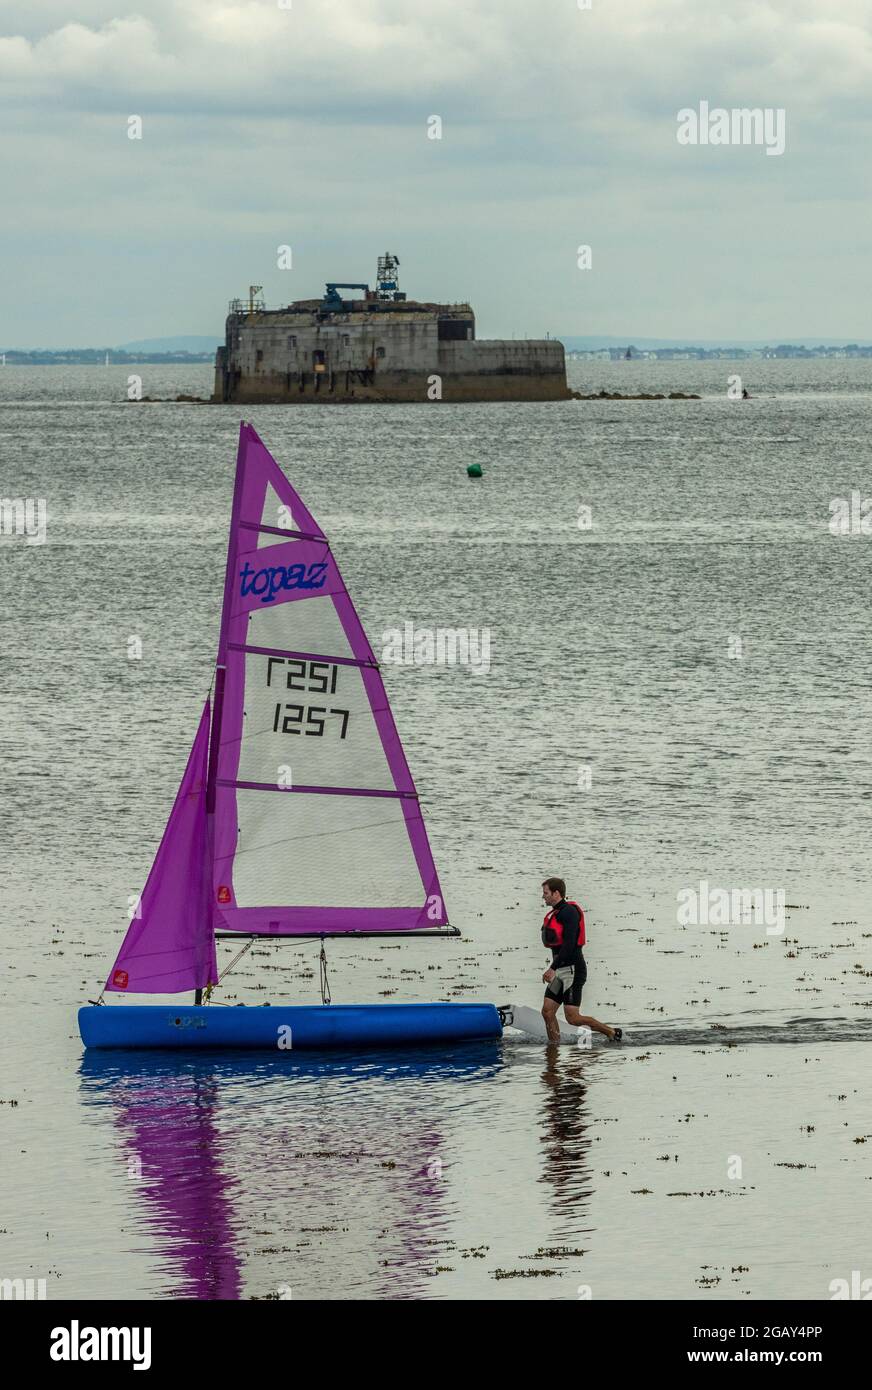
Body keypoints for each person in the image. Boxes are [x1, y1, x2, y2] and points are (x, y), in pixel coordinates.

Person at [540, 877, 621, 1044]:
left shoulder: (569, 913)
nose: (543, 896)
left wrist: (552, 968)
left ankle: (612, 1032)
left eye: (546, 893)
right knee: (547, 1012)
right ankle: (554, 1046)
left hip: (573, 970)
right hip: (560, 971)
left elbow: (569, 945)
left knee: (573, 1018)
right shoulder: (556, 913)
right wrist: (555, 969)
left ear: (556, 893)